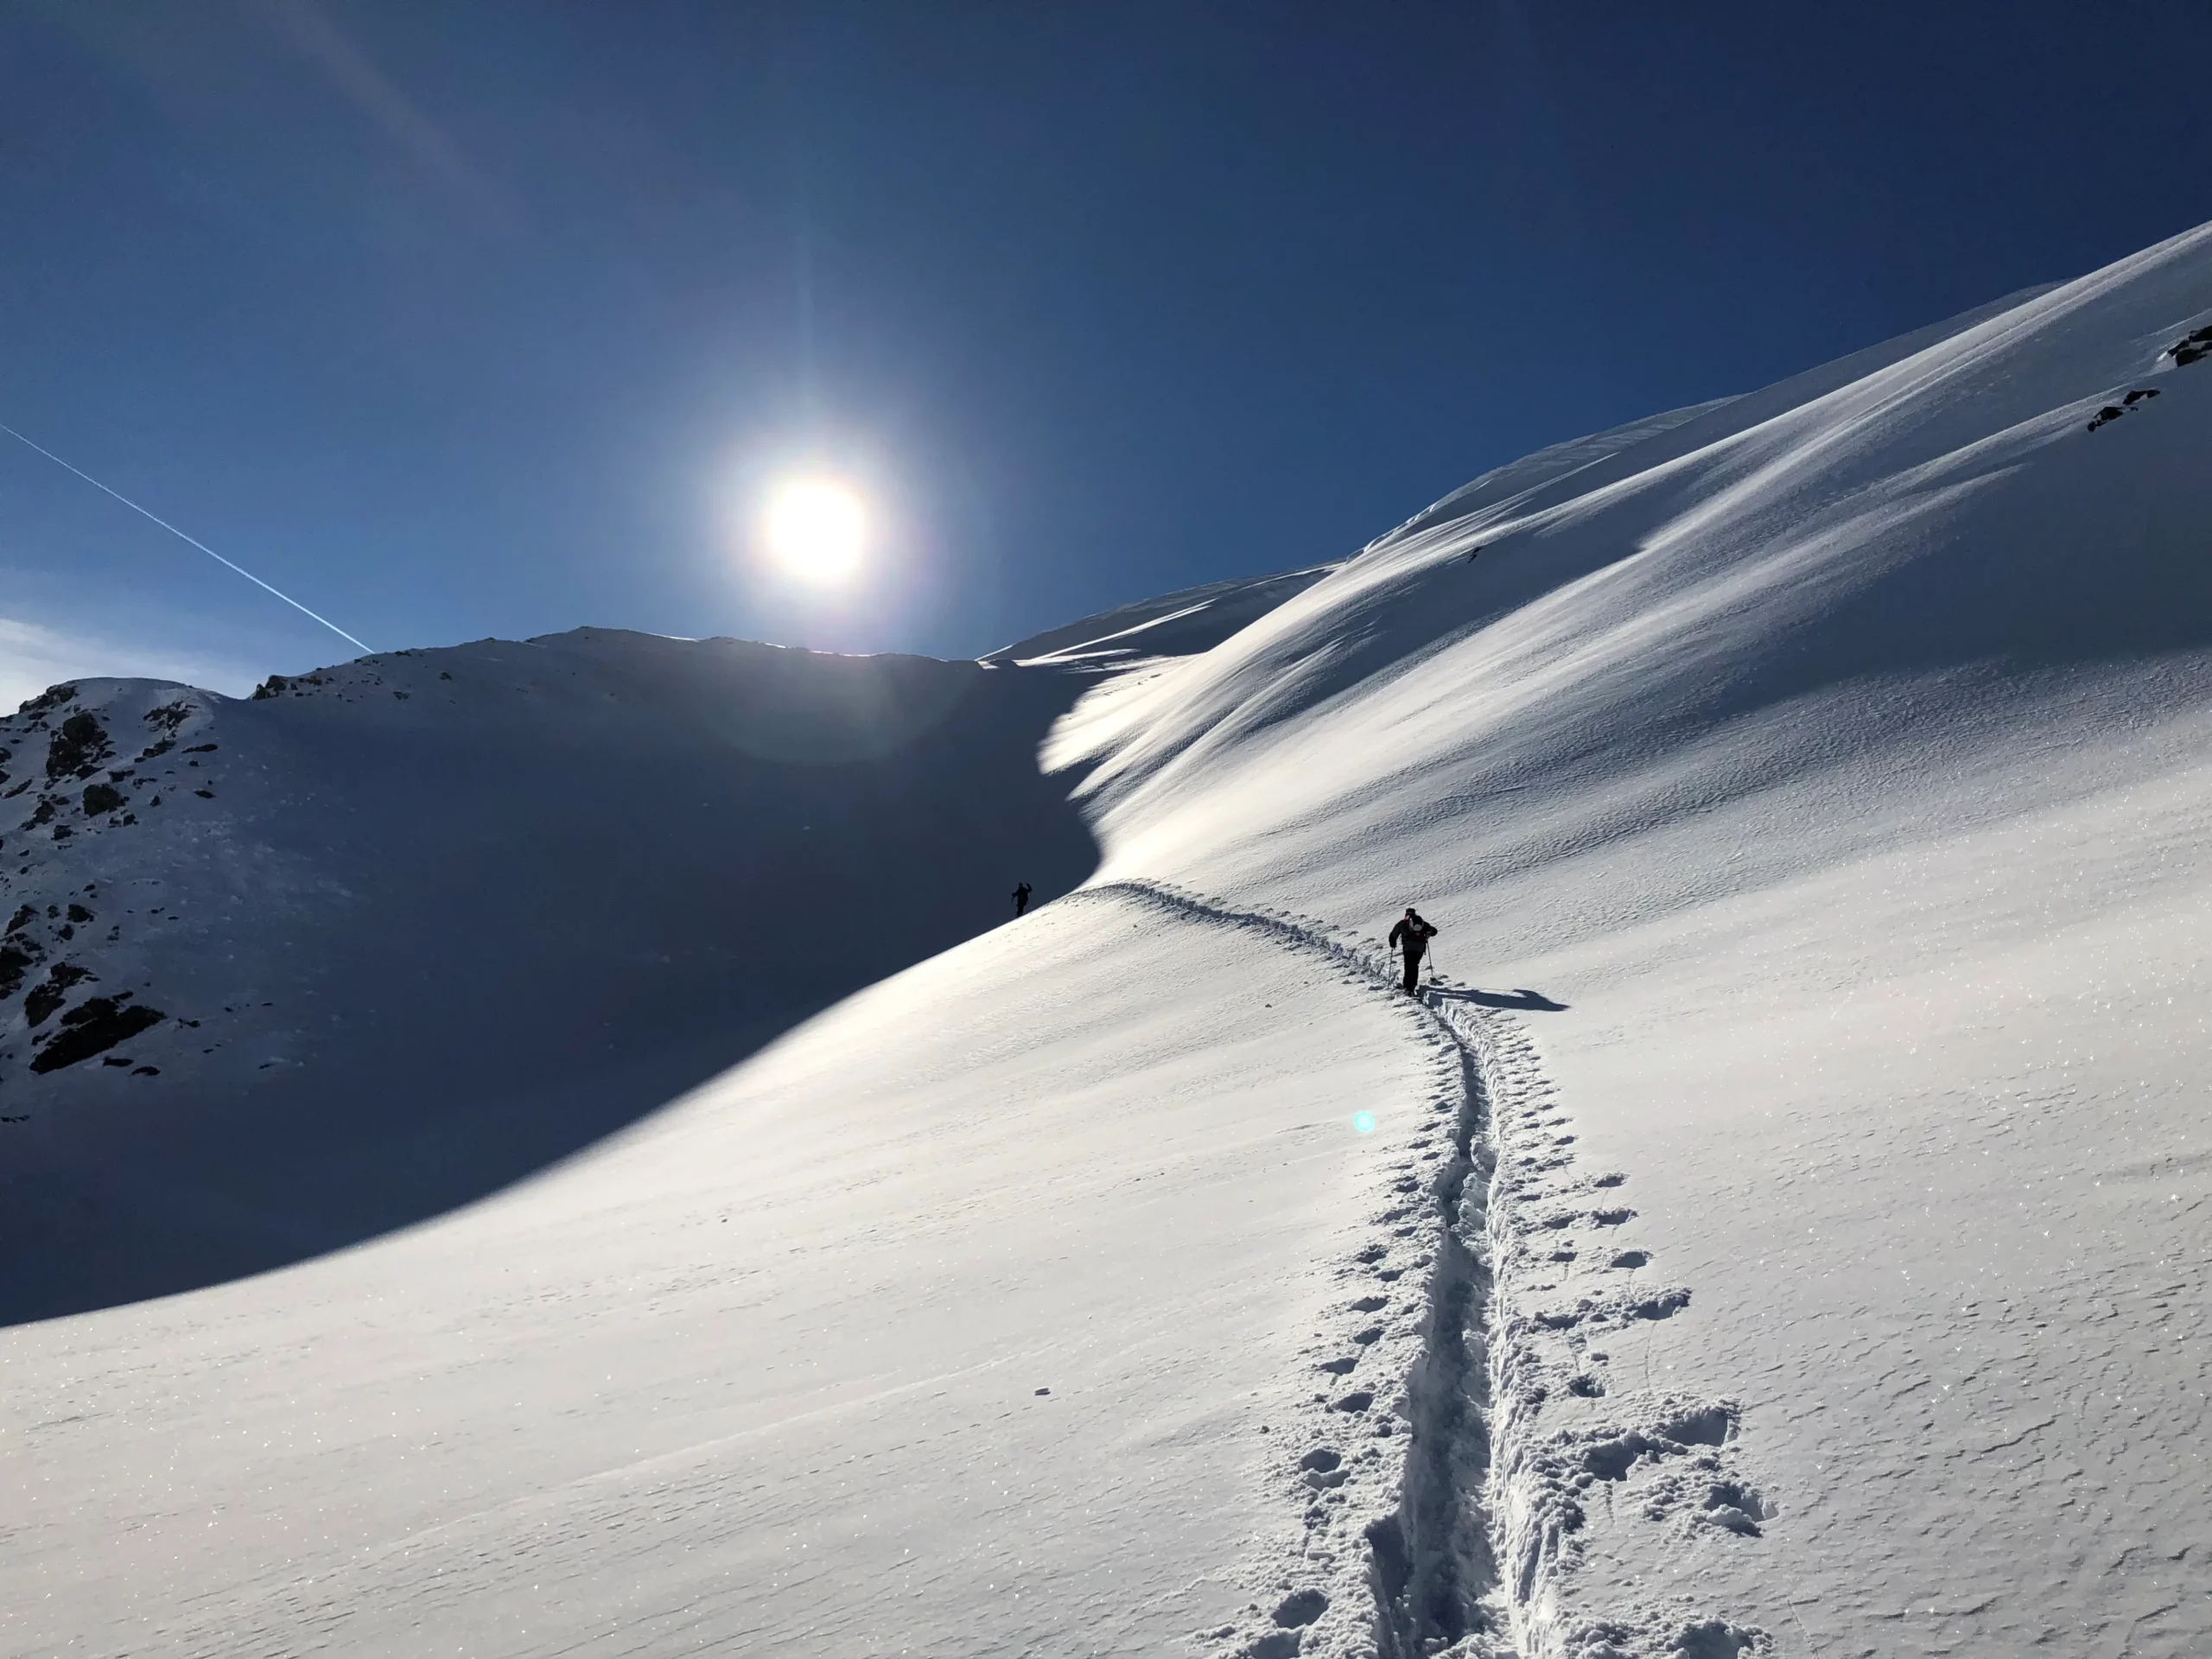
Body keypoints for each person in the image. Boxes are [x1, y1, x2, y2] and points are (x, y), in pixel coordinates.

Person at [1388, 906, 1437, 994]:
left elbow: (1393, 934)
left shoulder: (1403, 923)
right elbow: (1434, 931)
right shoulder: (1422, 923)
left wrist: (1393, 943)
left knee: (1408, 966)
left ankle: (1407, 987)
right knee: (1414, 965)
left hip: (1408, 948)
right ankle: (1412, 985)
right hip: (1420, 948)